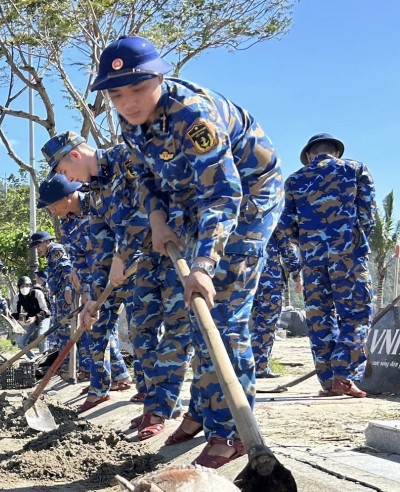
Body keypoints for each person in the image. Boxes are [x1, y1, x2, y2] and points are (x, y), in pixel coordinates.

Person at [91, 35, 283, 468]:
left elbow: (224, 193)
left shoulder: (193, 115)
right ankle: (202, 410)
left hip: (248, 201)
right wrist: (157, 219)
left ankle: (232, 431)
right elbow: (145, 176)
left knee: (225, 313)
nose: (128, 103)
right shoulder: (130, 122)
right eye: (117, 95)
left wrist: (202, 263)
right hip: (191, 203)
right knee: (196, 312)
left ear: (160, 77)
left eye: (138, 89)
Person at [46, 130, 188, 436]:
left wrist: (121, 259)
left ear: (74, 156)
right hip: (143, 261)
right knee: (142, 332)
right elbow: (101, 254)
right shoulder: (96, 193)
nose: (66, 178)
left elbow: (145, 211)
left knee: (179, 331)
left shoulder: (127, 157)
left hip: (175, 248)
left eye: (62, 171)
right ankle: (157, 405)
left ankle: (173, 409)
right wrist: (92, 299)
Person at [276, 133, 375, 398]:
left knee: (319, 319)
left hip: (312, 260)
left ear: (309, 155)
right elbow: (367, 216)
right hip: (349, 258)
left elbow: (285, 227)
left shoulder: (295, 180)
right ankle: (343, 374)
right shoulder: (356, 169)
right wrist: (351, 242)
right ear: (336, 152)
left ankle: (329, 381)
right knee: (356, 313)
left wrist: (310, 242)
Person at [37, 173, 134, 408]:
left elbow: (125, 235)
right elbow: (79, 259)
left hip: (128, 275)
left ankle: (146, 390)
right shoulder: (68, 224)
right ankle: (99, 388)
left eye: (53, 205)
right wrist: (86, 293)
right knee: (96, 331)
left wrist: (119, 266)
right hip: (98, 283)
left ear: (69, 196)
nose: (51, 211)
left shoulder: (100, 203)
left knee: (140, 332)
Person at [250, 230, 301, 379]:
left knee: (246, 325)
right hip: (269, 279)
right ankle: (259, 368)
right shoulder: (272, 210)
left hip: (243, 278)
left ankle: (243, 366)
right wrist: (297, 275)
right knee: (266, 325)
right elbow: (286, 246)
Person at [14, 275, 50, 358]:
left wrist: (35, 318)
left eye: (27, 286)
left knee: (41, 336)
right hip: (30, 319)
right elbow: (15, 313)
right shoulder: (17, 297)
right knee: (20, 341)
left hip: (44, 317)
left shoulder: (37, 293)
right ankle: (34, 359)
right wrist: (16, 324)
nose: (24, 288)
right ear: (19, 287)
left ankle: (44, 359)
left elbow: (45, 310)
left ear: (30, 286)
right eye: (22, 286)